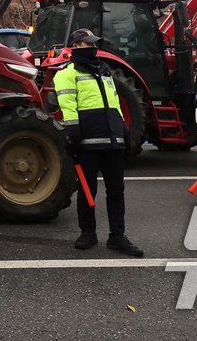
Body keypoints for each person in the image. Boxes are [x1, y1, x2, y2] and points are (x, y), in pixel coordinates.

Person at [54, 28, 144, 257]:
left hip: (113, 141)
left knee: (116, 191)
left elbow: (114, 104)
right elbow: (68, 106)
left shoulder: (104, 72)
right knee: (87, 191)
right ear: (76, 46)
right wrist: (73, 133)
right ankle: (88, 233)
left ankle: (117, 236)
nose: (94, 47)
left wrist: (123, 132)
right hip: (88, 142)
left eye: (95, 43)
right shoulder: (67, 74)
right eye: (89, 44)